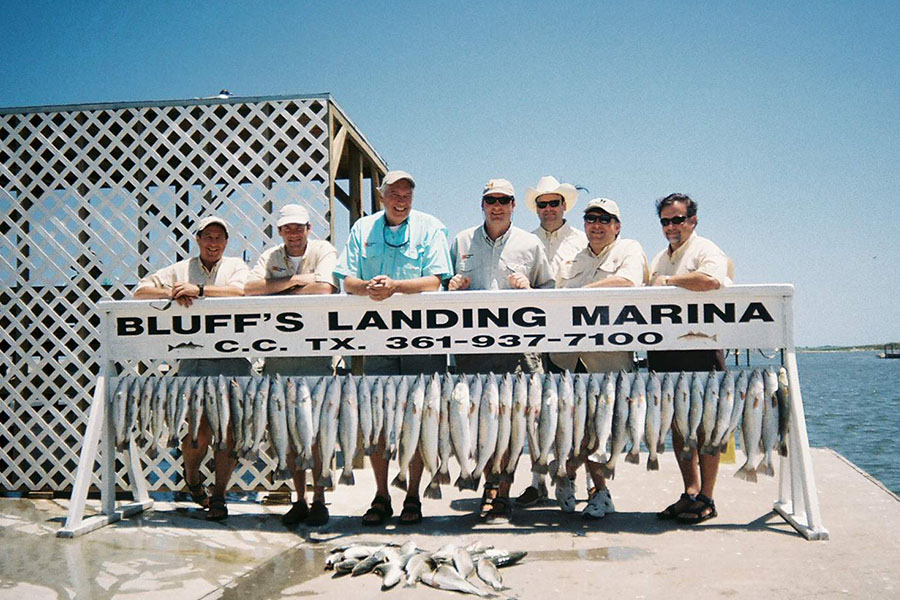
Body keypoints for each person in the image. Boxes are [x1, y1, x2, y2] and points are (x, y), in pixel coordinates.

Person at [334, 170, 453, 527]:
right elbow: (346, 280)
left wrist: (397, 286)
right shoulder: (361, 229)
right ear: (381, 195)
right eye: (395, 194)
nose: (401, 200)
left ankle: (414, 495)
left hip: (424, 338)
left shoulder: (431, 226)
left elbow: (436, 279)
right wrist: (367, 288)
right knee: (378, 420)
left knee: (421, 417)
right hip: (376, 338)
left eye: (407, 195)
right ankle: (382, 494)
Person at [448, 178, 553, 523]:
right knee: (479, 421)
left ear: (513, 206)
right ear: (482, 204)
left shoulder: (530, 244)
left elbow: (550, 294)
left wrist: (530, 291)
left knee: (513, 422)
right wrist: (450, 288)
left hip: (518, 352)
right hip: (473, 351)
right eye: (491, 200)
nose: (497, 206)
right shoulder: (461, 241)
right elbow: (442, 292)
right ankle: (487, 487)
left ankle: (501, 491)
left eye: (504, 200)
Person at [132, 215, 250, 521]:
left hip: (232, 360)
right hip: (193, 362)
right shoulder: (178, 269)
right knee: (198, 432)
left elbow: (241, 292)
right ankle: (193, 476)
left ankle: (220, 495)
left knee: (229, 433)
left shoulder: (236, 266)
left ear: (226, 242)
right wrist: (173, 293)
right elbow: (140, 291)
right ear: (197, 239)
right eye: (208, 237)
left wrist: (198, 291)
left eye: (219, 238)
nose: (213, 243)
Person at [550, 198, 649, 518]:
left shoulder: (629, 249)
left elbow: (629, 282)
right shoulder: (572, 258)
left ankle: (596, 488)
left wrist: (584, 291)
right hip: (566, 359)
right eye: (591, 218)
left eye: (605, 220)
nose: (597, 224)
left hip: (609, 361)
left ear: (617, 226)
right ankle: (569, 478)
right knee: (567, 428)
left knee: (600, 431)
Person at [244, 204, 339, 527]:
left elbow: (326, 287)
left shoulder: (324, 249)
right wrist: (297, 282)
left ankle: (320, 499)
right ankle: (299, 499)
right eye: (287, 228)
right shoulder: (270, 257)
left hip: (316, 354)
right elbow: (250, 288)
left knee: (318, 432)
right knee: (287, 430)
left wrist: (278, 288)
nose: (294, 233)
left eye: (299, 227)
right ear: (280, 231)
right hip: (279, 355)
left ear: (309, 228)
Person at [647, 193, 733, 525]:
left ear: (692, 220)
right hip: (665, 353)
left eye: (678, 219)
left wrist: (669, 282)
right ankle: (691, 492)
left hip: (702, 350)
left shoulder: (706, 250)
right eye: (666, 221)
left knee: (708, 427)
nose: (671, 226)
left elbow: (711, 281)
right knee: (680, 428)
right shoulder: (659, 257)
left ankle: (708, 498)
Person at [516, 176, 588, 507]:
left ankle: (575, 479)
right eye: (542, 204)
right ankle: (537, 479)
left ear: (564, 206)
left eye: (553, 203)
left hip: (573, 338)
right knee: (534, 410)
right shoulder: (523, 241)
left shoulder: (581, 240)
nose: (548, 210)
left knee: (573, 412)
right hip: (532, 339)